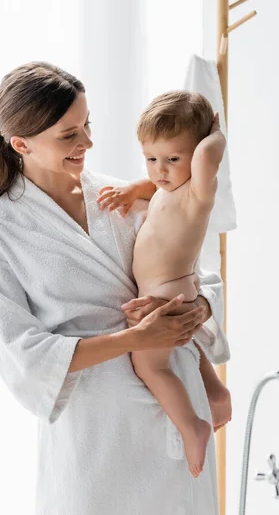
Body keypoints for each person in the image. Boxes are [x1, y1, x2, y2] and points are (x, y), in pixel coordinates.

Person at [0, 62, 230, 515]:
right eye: (68, 135)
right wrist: (133, 339)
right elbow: (22, 351)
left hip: (176, 412)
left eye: (87, 125)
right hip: (96, 432)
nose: (87, 142)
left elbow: (193, 269)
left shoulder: (120, 194)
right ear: (21, 144)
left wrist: (201, 308)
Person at [97, 90, 232, 478]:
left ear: (198, 152)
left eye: (173, 159)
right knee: (183, 343)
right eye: (152, 158)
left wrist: (216, 133)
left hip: (166, 293)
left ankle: (193, 426)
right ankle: (215, 390)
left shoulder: (197, 193)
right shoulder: (168, 187)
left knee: (149, 365)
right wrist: (132, 190)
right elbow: (152, 186)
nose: (160, 169)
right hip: (170, 290)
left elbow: (207, 156)